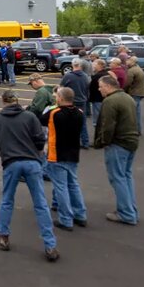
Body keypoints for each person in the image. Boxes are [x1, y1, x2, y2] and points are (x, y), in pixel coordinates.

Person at [0, 90, 59, 262]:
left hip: (11, 162)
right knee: (40, 203)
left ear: (3, 101)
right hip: (32, 162)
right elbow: (39, 139)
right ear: (17, 101)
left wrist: (4, 154)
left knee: (7, 200)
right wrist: (36, 154)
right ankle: (50, 245)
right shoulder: (30, 117)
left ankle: (3, 235)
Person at [94, 75, 140, 225]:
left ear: (108, 86)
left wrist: (102, 142)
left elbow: (107, 126)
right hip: (131, 141)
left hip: (118, 143)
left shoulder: (110, 101)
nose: (99, 89)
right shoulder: (127, 98)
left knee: (118, 178)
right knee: (126, 176)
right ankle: (130, 209)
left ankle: (126, 213)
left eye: (100, 86)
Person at [42, 87, 87, 231]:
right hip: (73, 152)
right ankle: (80, 214)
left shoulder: (54, 113)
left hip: (57, 154)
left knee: (61, 187)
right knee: (73, 184)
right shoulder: (80, 113)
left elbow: (40, 119)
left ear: (60, 98)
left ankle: (66, 219)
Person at [60, 58, 90, 148]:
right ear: (80, 65)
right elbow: (87, 89)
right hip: (82, 101)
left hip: (71, 102)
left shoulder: (68, 76)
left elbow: (61, 88)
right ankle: (85, 142)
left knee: (69, 122)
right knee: (82, 122)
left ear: (72, 65)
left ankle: (71, 142)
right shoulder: (85, 76)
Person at [123, 56, 144, 133]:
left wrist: (122, 91)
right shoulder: (138, 68)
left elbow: (127, 83)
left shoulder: (131, 71)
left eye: (128, 60)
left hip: (134, 92)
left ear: (132, 61)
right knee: (137, 113)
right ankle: (138, 129)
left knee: (132, 113)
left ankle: (133, 130)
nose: (126, 62)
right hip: (140, 92)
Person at [88, 59, 109, 126]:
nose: (93, 66)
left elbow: (92, 88)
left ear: (100, 65)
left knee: (97, 120)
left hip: (97, 99)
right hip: (104, 98)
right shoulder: (107, 74)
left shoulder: (97, 76)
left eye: (94, 64)